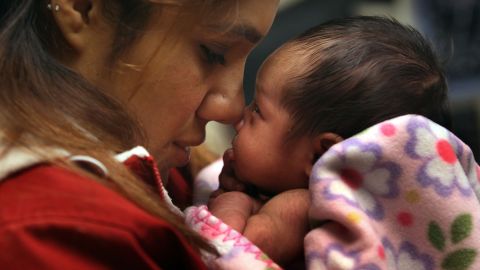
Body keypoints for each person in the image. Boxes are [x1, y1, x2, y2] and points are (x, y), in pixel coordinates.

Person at [0, 0, 280, 269]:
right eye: (214, 52)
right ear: (82, 7)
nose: (231, 109)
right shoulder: (48, 236)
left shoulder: (181, 173)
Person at [190, 16, 452, 267]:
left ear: (320, 156)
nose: (239, 116)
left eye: (258, 110)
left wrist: (232, 198)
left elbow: (224, 249)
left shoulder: (299, 205)